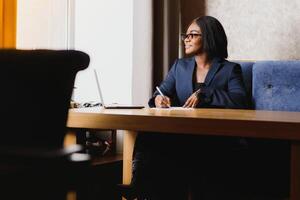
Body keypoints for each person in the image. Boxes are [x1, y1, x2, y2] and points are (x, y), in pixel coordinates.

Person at [119, 15, 249, 200]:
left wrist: (206, 94)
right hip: (182, 134)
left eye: (192, 34)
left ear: (209, 37)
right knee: (149, 132)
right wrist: (158, 100)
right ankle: (138, 185)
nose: (186, 39)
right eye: (185, 35)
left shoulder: (229, 70)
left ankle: (142, 186)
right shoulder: (180, 66)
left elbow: (240, 101)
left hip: (215, 138)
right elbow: (159, 94)